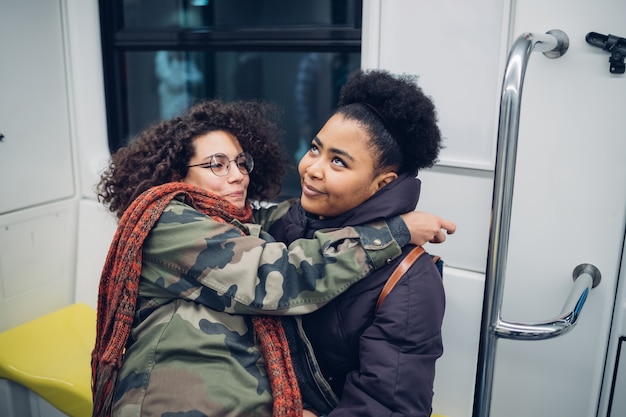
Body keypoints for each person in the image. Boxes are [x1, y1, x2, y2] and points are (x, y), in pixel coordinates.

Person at [91, 99, 454, 417]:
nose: (237, 176)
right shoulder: (168, 222)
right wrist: (394, 231)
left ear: (382, 184)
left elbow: (388, 402)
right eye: (216, 165)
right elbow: (276, 275)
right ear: (175, 175)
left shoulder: (255, 226)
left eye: (240, 162)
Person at [269, 69, 446, 416]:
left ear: (382, 184)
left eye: (338, 161)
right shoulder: (286, 220)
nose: (312, 169)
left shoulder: (410, 279)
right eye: (315, 149)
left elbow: (387, 405)